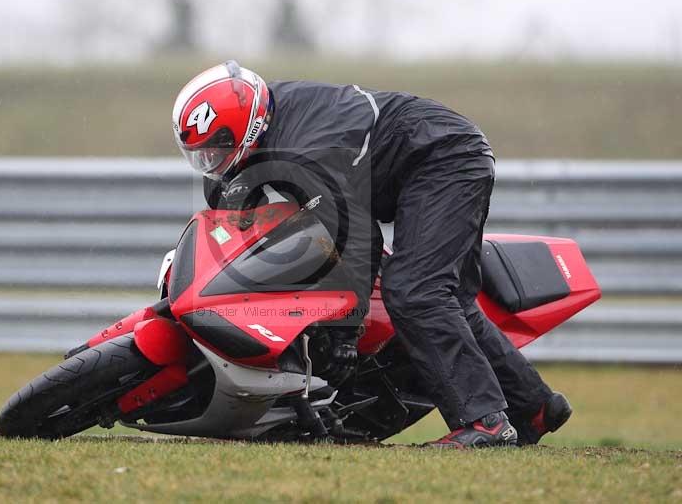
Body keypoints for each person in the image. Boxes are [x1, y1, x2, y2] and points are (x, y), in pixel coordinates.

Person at [171, 60, 572, 448]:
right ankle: (534, 406)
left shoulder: (310, 149)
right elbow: (230, 190)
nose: (211, 162)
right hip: (437, 151)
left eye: (217, 150)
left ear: (249, 128)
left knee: (415, 292)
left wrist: (347, 328)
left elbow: (360, 238)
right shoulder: (264, 115)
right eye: (202, 155)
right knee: (453, 303)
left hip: (442, 159)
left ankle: (484, 422)